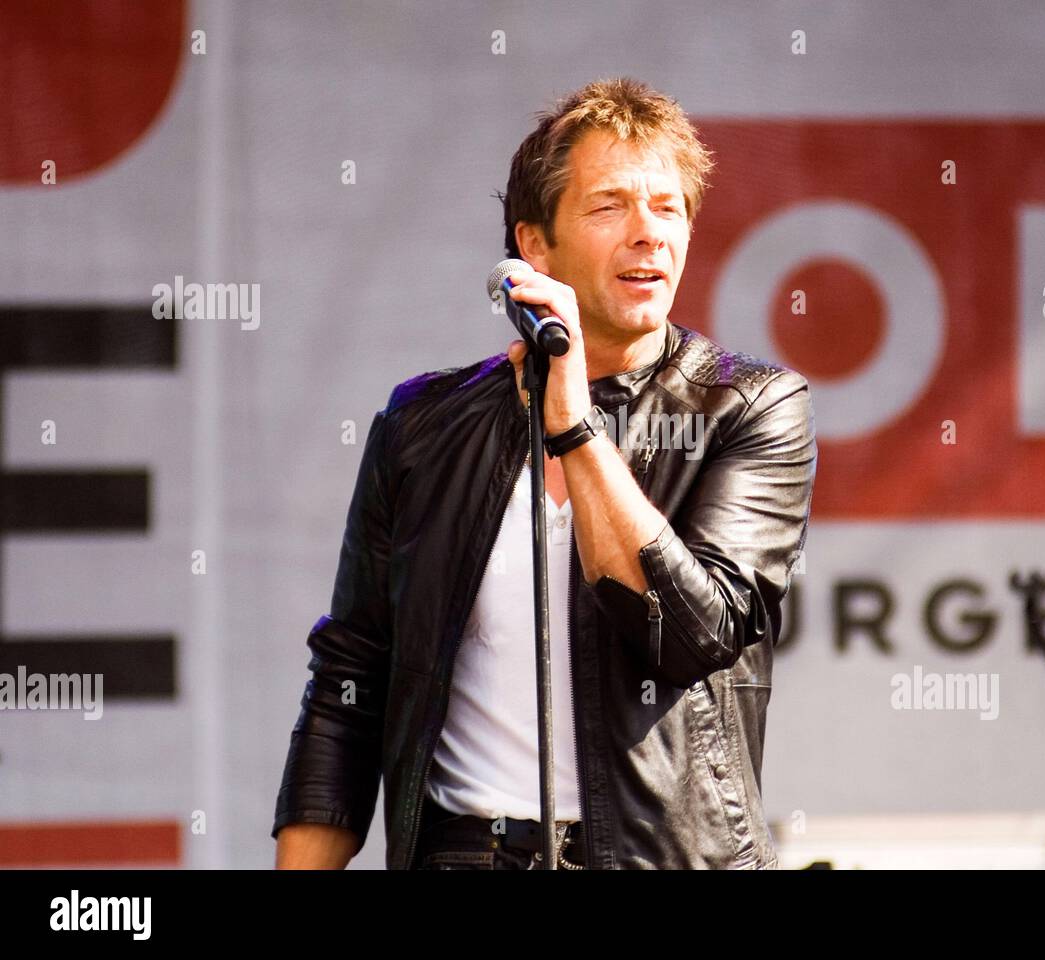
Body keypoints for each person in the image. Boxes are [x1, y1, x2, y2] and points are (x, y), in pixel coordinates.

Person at [272, 76, 817, 869]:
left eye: (668, 208)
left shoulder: (749, 405)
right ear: (534, 247)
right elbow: (352, 675)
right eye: (610, 207)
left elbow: (688, 635)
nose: (648, 234)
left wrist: (572, 424)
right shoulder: (423, 425)